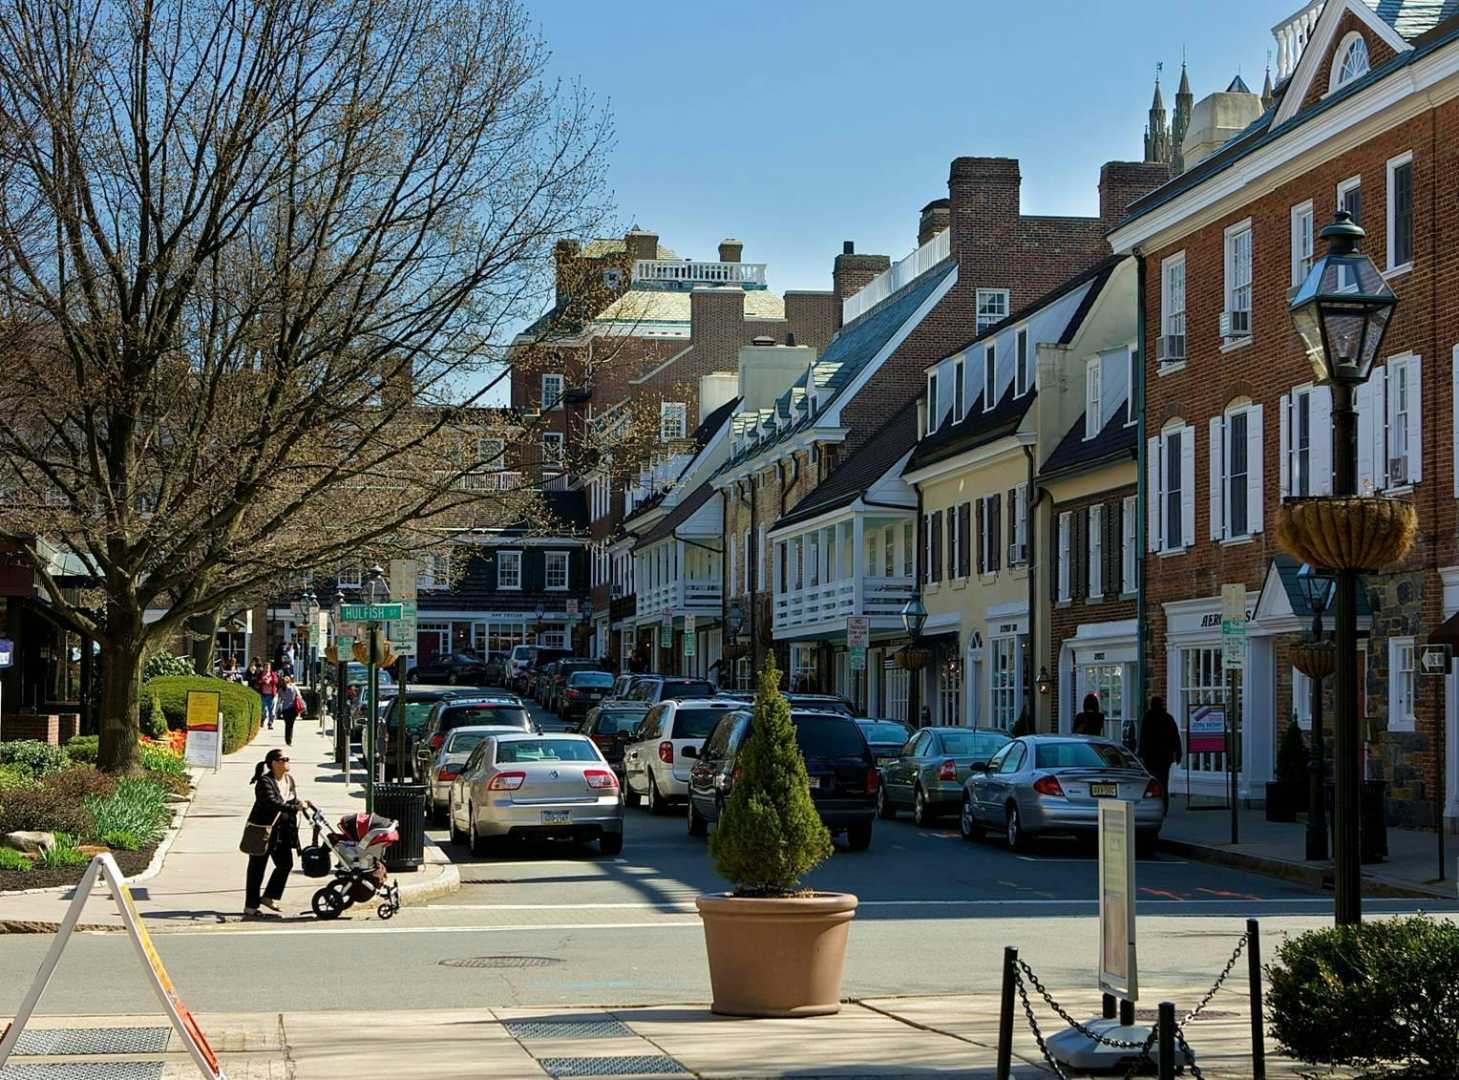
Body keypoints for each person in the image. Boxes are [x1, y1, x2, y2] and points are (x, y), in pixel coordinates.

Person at [244, 748, 300, 916]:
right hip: (263, 830)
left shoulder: (289, 780)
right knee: (257, 868)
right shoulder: (265, 782)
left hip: (283, 832)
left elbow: (293, 799)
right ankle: (251, 906)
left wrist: (300, 804)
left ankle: (269, 896)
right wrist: (294, 808)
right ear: (274, 763)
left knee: (285, 864)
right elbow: (272, 802)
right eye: (284, 759)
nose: (287, 761)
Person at [1139, 696, 1182, 812]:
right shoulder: (1167, 718)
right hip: (1164, 756)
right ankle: (1164, 804)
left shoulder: (1148, 718)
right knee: (1163, 781)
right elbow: (1175, 737)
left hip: (1151, 755)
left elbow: (1143, 737)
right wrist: (1178, 753)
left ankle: (1153, 804)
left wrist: (1141, 754)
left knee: (1153, 781)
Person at [276, 676, 304, 746]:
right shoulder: (293, 688)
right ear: (290, 681)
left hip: (285, 709)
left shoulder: (280, 690)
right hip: (293, 709)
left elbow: (279, 701)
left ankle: (287, 740)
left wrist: (277, 711)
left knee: (287, 725)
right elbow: (299, 696)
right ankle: (289, 740)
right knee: (291, 725)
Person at [259, 662, 278, 730]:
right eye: (266, 667)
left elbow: (276, 681)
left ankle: (270, 723)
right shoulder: (261, 674)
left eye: (268, 667)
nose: (267, 669)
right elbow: (258, 681)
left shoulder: (273, 674)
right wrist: (263, 681)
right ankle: (262, 720)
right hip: (263, 694)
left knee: (272, 711)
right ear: (264, 668)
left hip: (271, 695)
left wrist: (270, 681)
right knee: (263, 710)